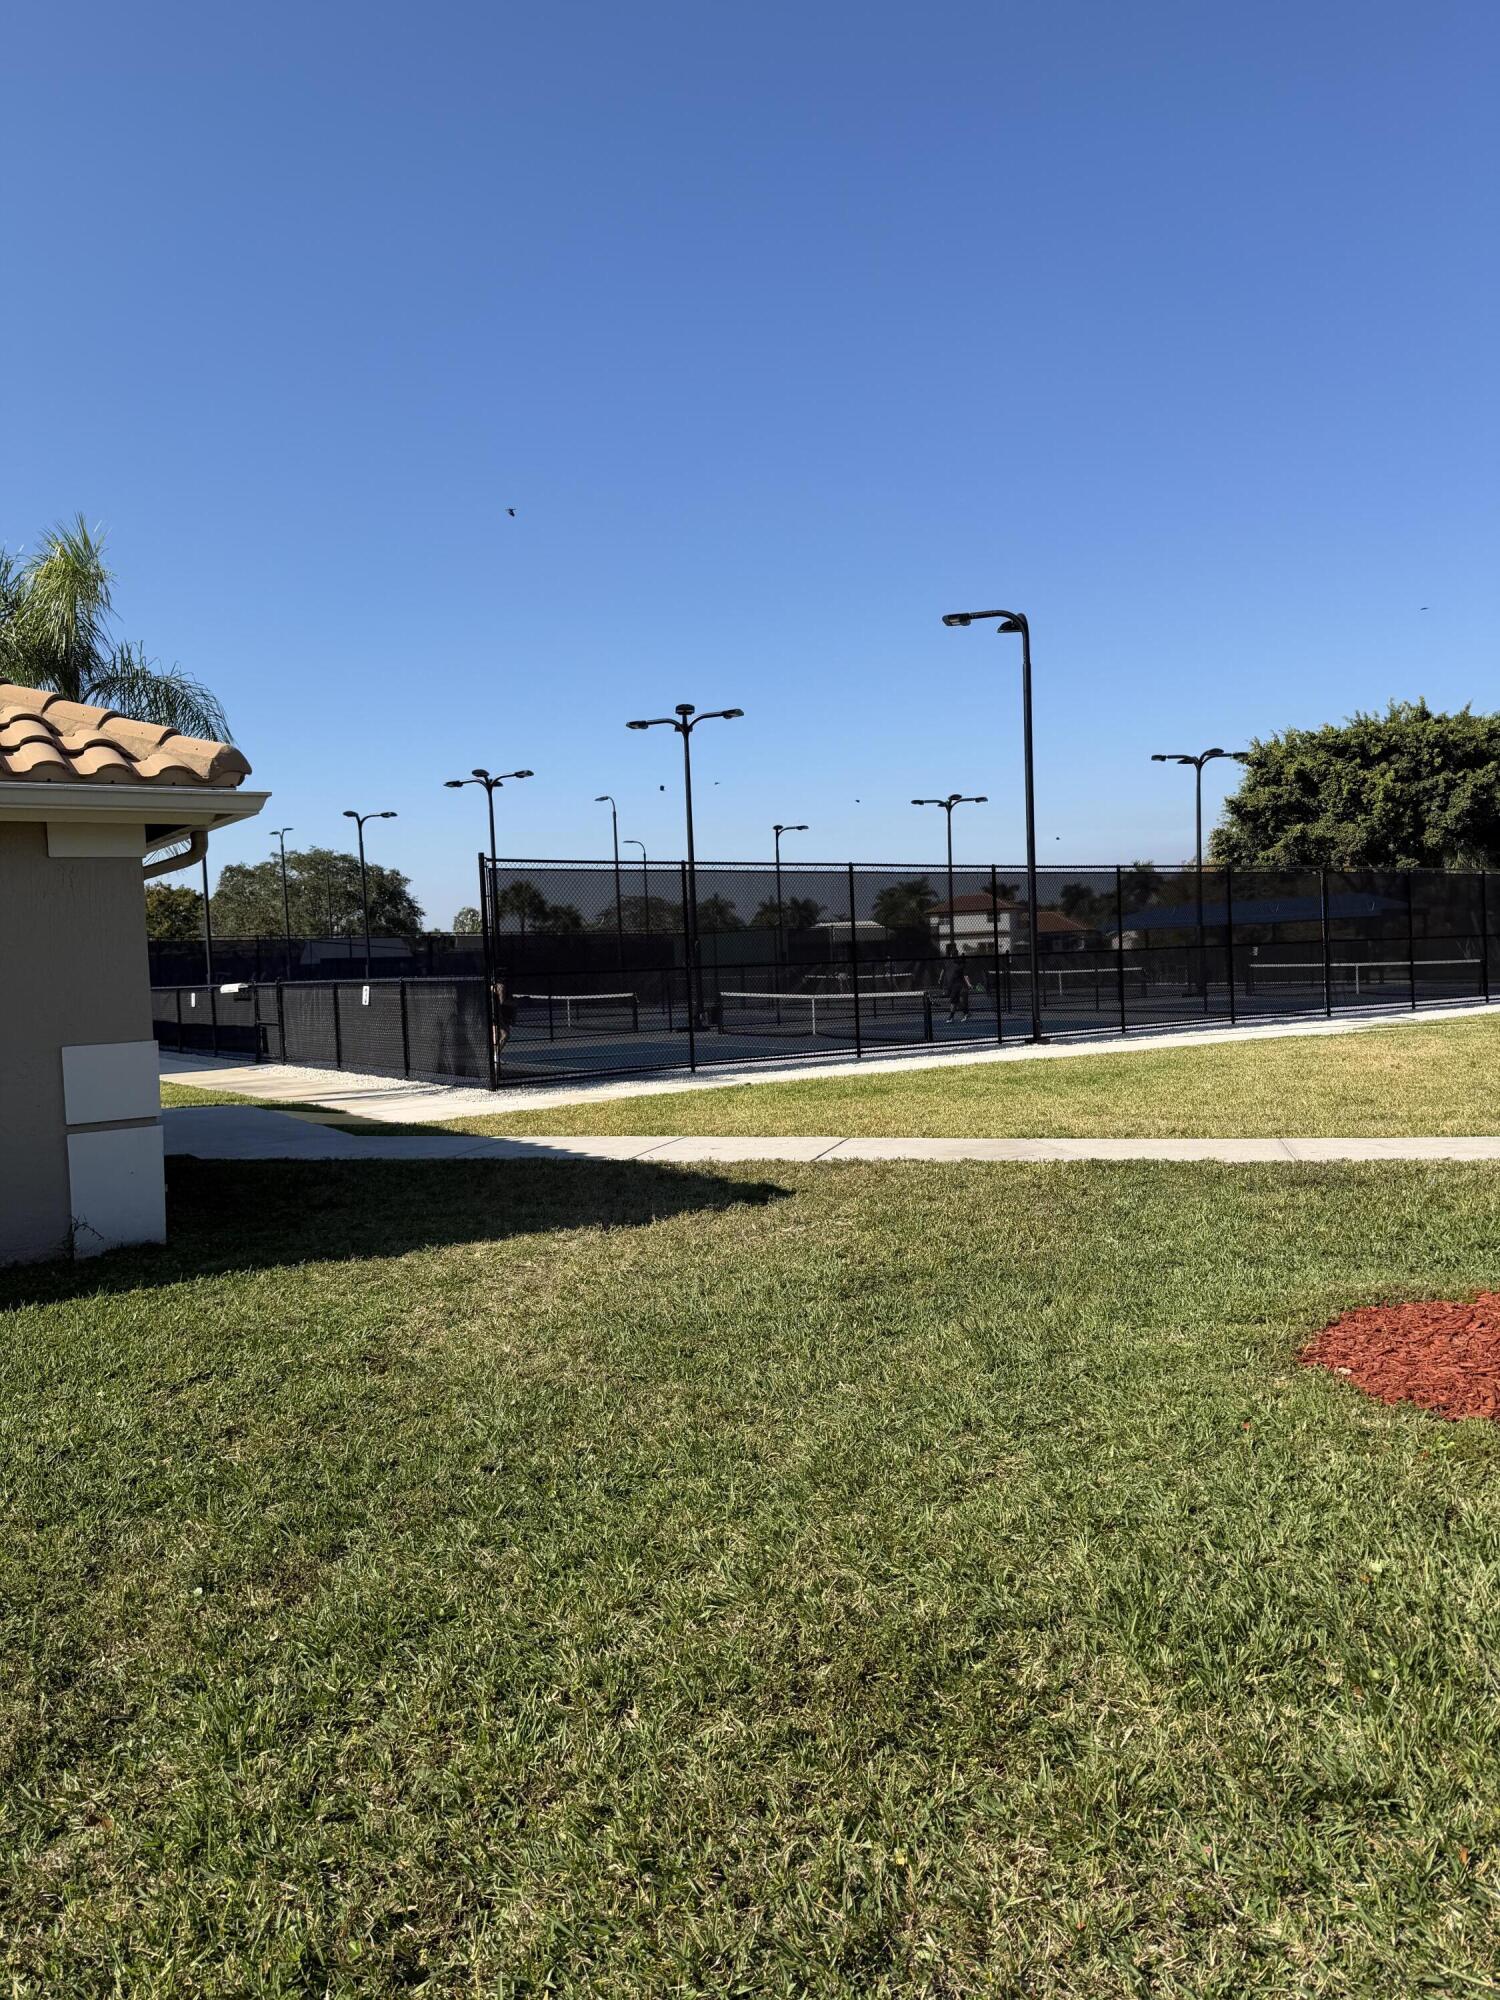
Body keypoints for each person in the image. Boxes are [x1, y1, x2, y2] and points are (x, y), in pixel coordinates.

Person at [942, 947, 972, 1022]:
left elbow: (965, 975)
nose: (953, 956)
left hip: (961, 985)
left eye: (954, 954)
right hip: (953, 986)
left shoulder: (960, 965)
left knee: (960, 1001)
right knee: (953, 1001)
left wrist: (968, 984)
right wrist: (942, 980)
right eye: (953, 954)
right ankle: (952, 1017)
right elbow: (944, 971)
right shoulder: (949, 963)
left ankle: (966, 1013)